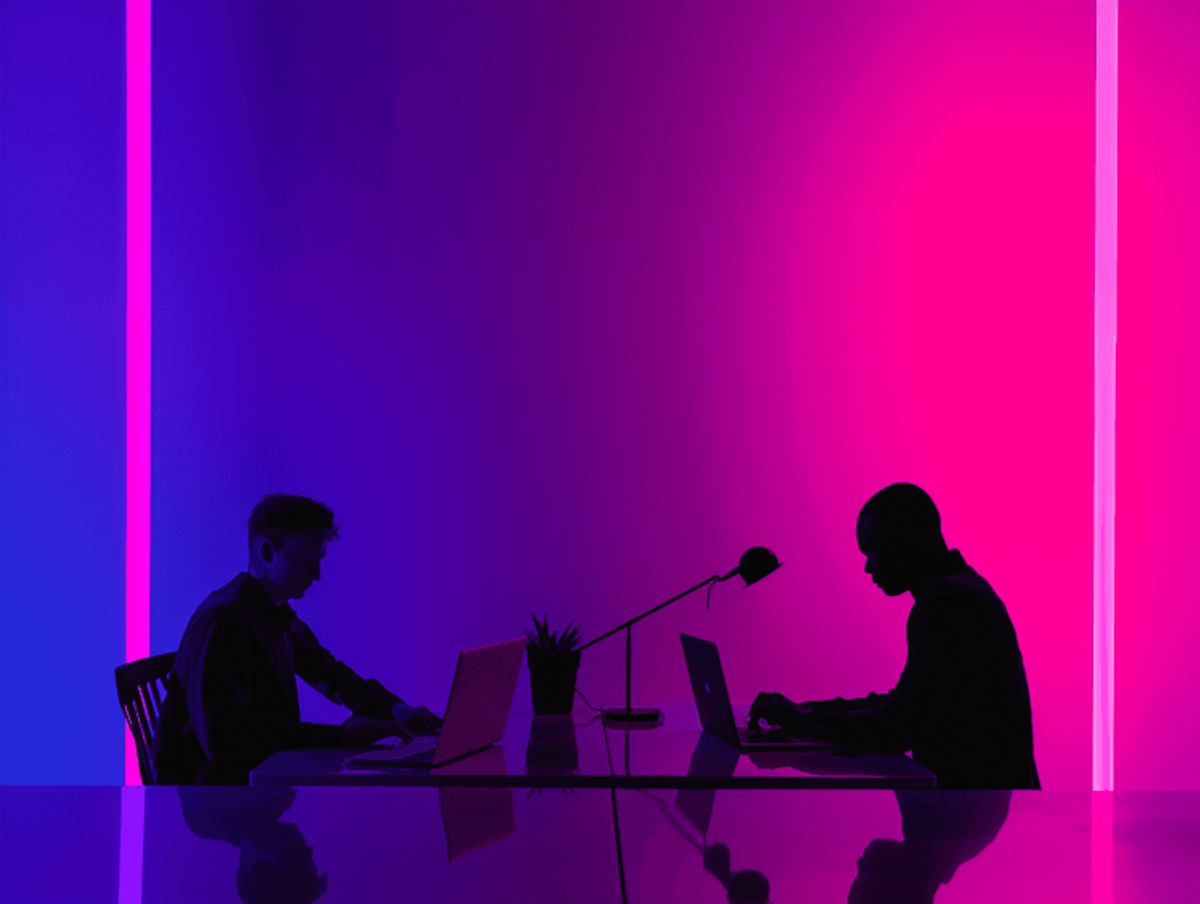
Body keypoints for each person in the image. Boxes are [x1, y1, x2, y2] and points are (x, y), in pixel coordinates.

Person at [749, 483, 1039, 789]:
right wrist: (804, 711)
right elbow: (906, 705)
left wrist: (803, 719)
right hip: (980, 815)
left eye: (872, 550)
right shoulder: (962, 590)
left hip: (970, 815)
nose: (867, 566)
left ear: (902, 538)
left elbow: (896, 726)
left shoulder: (947, 602)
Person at [152, 494, 442, 784]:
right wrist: (341, 736)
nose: (316, 575)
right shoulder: (224, 619)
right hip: (211, 800)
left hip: (252, 785)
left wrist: (397, 710)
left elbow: (332, 675)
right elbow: (226, 738)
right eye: (307, 560)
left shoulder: (272, 612)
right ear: (267, 553)